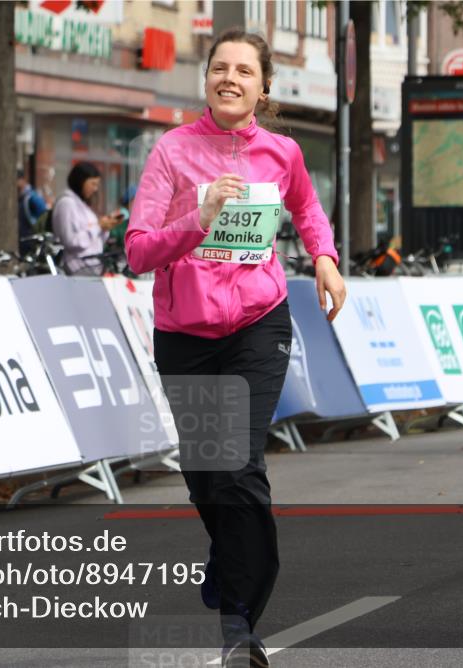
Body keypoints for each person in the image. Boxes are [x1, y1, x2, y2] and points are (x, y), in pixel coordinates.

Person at [125, 29, 345, 668]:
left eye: (244, 70)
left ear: (262, 86)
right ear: (207, 80)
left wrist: (325, 260)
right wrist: (199, 216)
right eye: (220, 68)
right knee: (205, 479)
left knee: (240, 465)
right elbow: (138, 249)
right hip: (185, 335)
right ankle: (232, 570)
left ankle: (239, 625)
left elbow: (307, 211)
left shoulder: (282, 153)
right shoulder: (172, 152)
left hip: (258, 324)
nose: (230, 78)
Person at [51, 161, 121, 275]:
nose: (95, 189)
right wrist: (98, 226)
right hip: (76, 268)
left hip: (91, 267)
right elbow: (71, 241)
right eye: (93, 184)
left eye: (97, 185)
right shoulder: (66, 204)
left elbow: (96, 240)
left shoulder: (82, 205)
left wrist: (105, 227)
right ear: (81, 181)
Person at [17, 168, 47, 256]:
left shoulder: (31, 197)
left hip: (30, 241)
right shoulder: (22, 197)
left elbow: (43, 215)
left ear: (21, 180)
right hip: (25, 240)